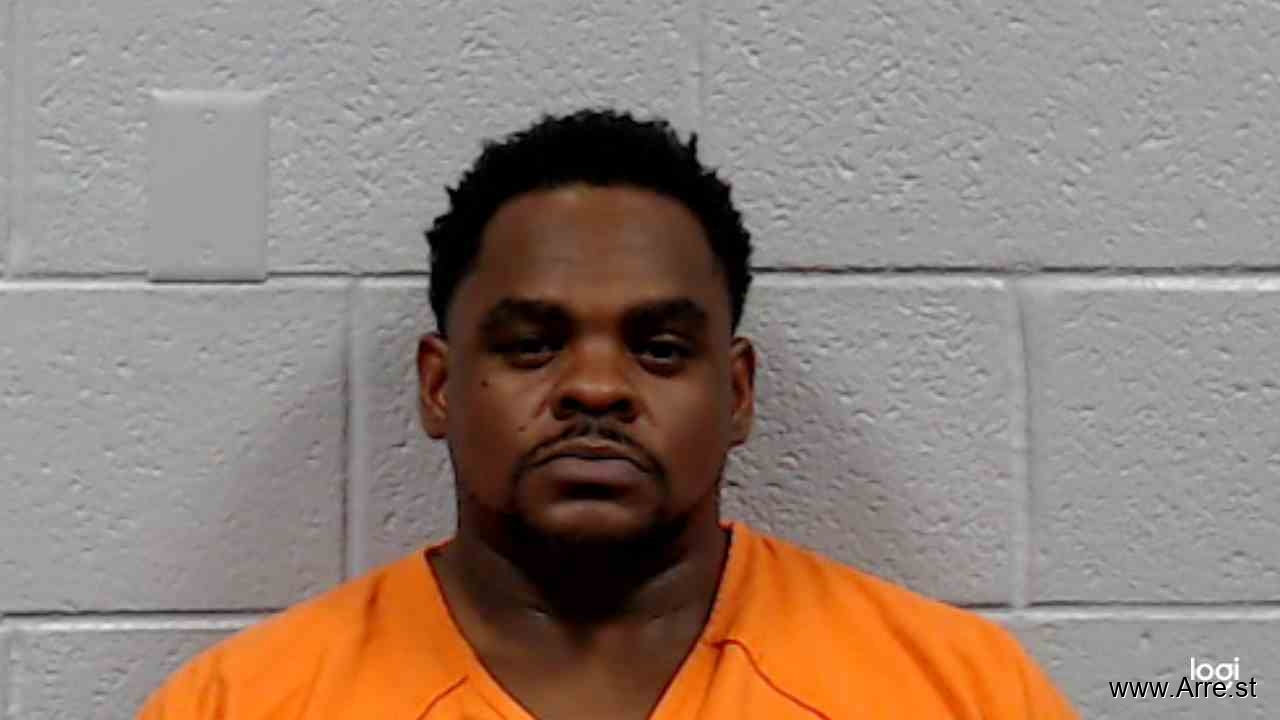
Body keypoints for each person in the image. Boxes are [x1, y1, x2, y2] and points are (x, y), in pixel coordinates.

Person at [138, 108, 1079, 719]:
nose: (596, 387)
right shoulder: (245, 703)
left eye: (659, 348)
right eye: (531, 345)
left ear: (737, 393)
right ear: (439, 386)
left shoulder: (961, 691)